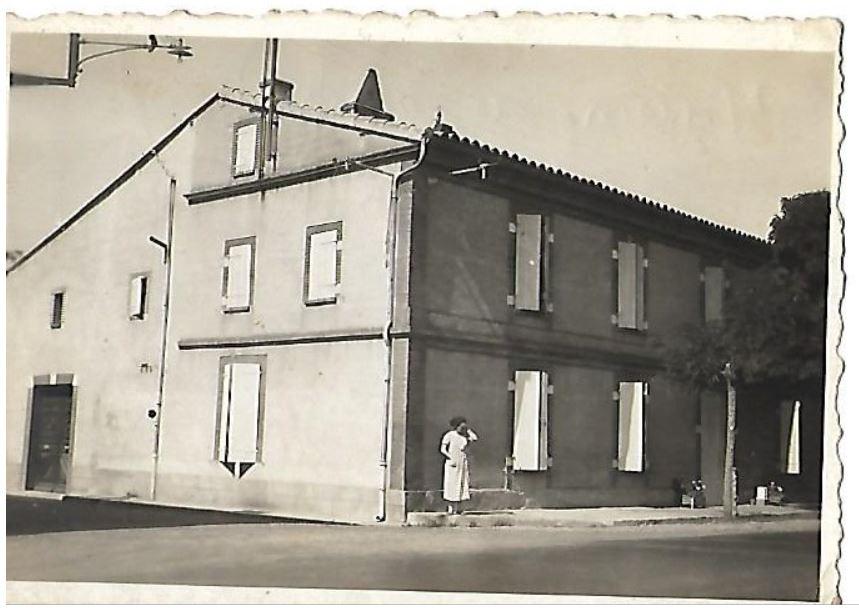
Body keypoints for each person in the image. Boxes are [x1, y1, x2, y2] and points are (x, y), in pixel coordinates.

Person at [439, 416, 478, 515]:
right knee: (451, 484)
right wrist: (450, 457)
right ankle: (450, 508)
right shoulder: (450, 435)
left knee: (461, 483)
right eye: (461, 427)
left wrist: (468, 431)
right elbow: (442, 449)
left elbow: (475, 438)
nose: (462, 429)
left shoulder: (465, 437)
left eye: (464, 427)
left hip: (462, 461)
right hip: (452, 462)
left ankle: (458, 508)